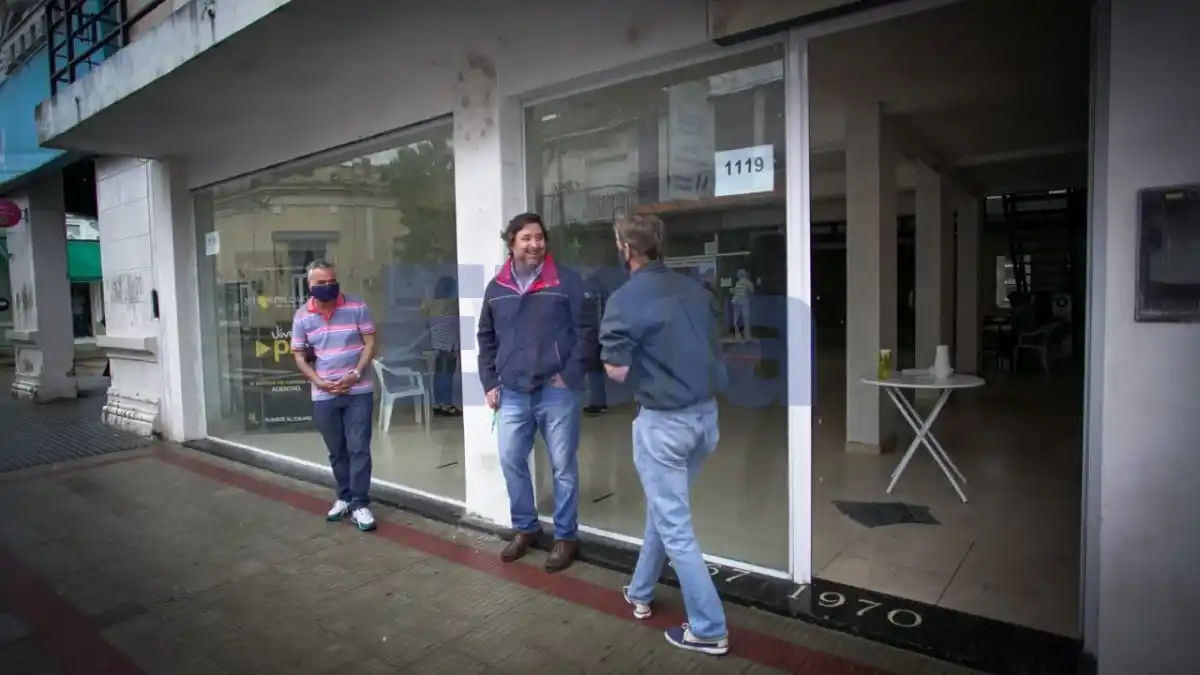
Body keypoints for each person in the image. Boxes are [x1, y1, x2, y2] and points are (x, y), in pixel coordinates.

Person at [600, 213, 731, 655]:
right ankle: (639, 592)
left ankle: (709, 628)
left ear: (627, 249)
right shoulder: (696, 290)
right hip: (705, 421)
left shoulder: (624, 298)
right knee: (665, 508)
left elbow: (616, 372)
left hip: (664, 426)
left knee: (675, 526)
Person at [477, 212, 589, 572]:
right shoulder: (496, 288)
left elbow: (587, 332)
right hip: (511, 392)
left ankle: (566, 537)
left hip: (556, 391)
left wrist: (569, 375)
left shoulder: (567, 281)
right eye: (526, 238)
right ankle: (526, 528)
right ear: (511, 242)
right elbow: (486, 338)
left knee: (563, 468)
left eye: (539, 237)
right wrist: (490, 381)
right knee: (512, 462)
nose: (534, 244)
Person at [291, 261, 379, 532]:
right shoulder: (302, 316)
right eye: (321, 283)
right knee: (337, 451)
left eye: (332, 281)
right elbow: (298, 354)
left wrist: (356, 372)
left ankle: (360, 504)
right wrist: (318, 381)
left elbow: (371, 342)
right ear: (310, 286)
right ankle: (344, 498)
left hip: (357, 390)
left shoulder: (356, 306)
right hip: (324, 393)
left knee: (359, 448)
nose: (328, 287)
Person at [426, 276, 461, 417]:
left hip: (437, 344)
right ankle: (447, 405)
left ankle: (438, 404)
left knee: (439, 375)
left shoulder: (434, 304)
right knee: (447, 376)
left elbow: (429, 325)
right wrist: (457, 347)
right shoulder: (451, 305)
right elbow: (453, 327)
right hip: (448, 345)